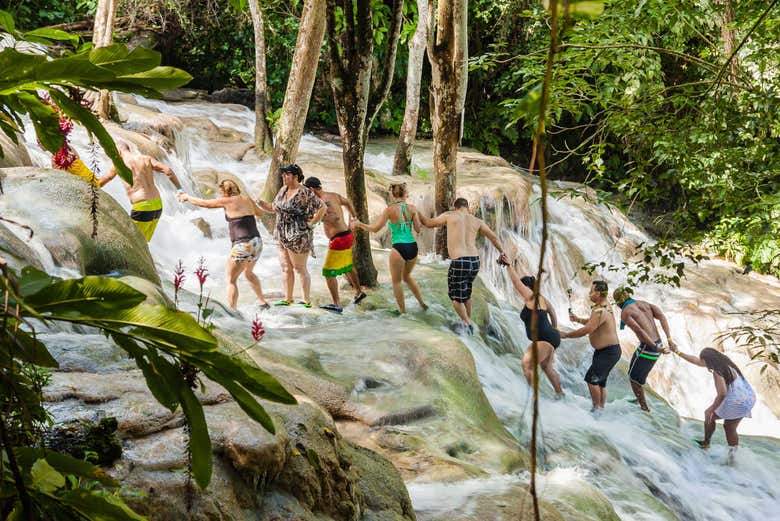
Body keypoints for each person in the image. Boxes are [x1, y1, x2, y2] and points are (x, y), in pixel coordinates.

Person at [178, 179, 269, 310]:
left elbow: (204, 203)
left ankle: (233, 312)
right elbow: (260, 213)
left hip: (242, 244)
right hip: (256, 242)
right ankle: (262, 303)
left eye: (221, 192)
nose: (221, 195)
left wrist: (186, 197)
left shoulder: (227, 201)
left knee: (231, 280)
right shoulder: (246, 199)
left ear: (226, 191)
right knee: (249, 273)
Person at [420, 197, 506, 334]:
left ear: (455, 207)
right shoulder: (477, 221)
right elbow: (494, 237)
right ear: (467, 208)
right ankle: (466, 320)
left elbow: (428, 223)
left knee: (455, 297)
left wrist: (415, 213)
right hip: (474, 261)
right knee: (466, 293)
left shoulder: (450, 215)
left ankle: (467, 323)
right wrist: (502, 252)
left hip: (460, 261)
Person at [255, 164, 326, 307]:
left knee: (299, 268)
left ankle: (306, 301)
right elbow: (273, 208)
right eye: (283, 174)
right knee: (285, 268)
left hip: (298, 236)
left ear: (295, 176)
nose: (283, 176)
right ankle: (288, 299)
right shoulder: (283, 190)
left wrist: (312, 224)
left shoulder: (304, 192)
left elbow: (322, 207)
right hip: (281, 234)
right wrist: (260, 203)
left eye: (286, 174)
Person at [351, 182, 427, 315]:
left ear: (392, 195)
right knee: (407, 276)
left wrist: (359, 224)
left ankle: (402, 311)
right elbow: (418, 229)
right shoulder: (413, 209)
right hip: (412, 247)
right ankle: (422, 303)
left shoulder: (389, 210)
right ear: (405, 194)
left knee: (396, 281)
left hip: (398, 248)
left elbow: (375, 228)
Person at [670, 346, 756, 462]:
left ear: (709, 361)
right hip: (748, 397)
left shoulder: (718, 371)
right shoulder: (727, 364)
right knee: (730, 427)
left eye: (703, 361)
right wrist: (677, 351)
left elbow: (722, 394)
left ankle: (706, 443)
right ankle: (733, 456)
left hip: (737, 401)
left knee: (709, 416)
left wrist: (711, 409)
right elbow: (696, 361)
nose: (702, 363)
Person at [303, 176, 366, 313]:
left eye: (308, 191)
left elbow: (334, 217)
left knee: (328, 273)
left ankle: (336, 304)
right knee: (347, 266)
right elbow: (347, 202)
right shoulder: (333, 195)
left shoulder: (323, 201)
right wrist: (354, 218)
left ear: (312, 189)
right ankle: (358, 292)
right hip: (347, 235)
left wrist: (315, 221)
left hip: (339, 239)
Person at [99, 141, 183, 242]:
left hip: (143, 207)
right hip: (158, 205)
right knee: (144, 243)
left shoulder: (119, 164)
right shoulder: (146, 158)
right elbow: (168, 170)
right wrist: (179, 189)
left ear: (119, 152)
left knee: (132, 242)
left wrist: (90, 187)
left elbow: (105, 178)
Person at [504, 261, 564, 398]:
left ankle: (535, 399)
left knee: (527, 365)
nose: (519, 292)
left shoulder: (531, 297)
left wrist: (509, 266)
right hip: (551, 337)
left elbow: (516, 283)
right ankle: (560, 395)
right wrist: (554, 329)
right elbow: (552, 311)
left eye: (523, 289)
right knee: (547, 368)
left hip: (544, 339)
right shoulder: (541, 299)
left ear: (527, 288)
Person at [561, 281, 621, 411]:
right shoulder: (604, 307)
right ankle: (600, 409)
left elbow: (587, 329)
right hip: (608, 351)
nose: (589, 294)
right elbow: (593, 323)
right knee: (600, 382)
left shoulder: (600, 311)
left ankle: (596, 410)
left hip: (608, 352)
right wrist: (577, 319)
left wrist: (566, 335)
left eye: (591, 291)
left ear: (598, 293)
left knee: (591, 379)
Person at [613, 286, 674, 412]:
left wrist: (655, 347)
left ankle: (644, 407)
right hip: (655, 344)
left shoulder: (626, 312)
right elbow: (662, 316)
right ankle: (639, 398)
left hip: (649, 347)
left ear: (618, 302)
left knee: (634, 378)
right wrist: (669, 339)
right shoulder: (644, 304)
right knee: (635, 373)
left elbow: (639, 330)